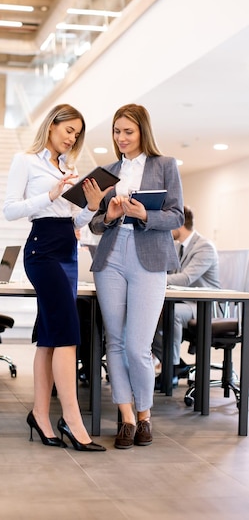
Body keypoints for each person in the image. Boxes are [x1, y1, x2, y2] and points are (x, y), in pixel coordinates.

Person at [3, 104, 107, 452]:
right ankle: (72, 422)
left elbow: (75, 222)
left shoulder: (67, 169)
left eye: (77, 134)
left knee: (50, 337)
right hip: (42, 251)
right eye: (68, 130)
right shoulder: (26, 161)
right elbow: (10, 210)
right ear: (51, 126)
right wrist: (49, 194)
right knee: (67, 335)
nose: (72, 137)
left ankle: (41, 415)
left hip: (68, 252)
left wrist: (91, 206)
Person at [89, 103, 184, 449]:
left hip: (149, 256)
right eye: (116, 131)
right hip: (112, 256)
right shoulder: (106, 172)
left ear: (143, 131)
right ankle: (127, 418)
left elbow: (176, 216)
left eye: (128, 131)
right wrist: (110, 215)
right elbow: (95, 222)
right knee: (114, 342)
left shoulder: (165, 166)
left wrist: (145, 214)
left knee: (137, 345)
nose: (121, 137)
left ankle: (145, 415)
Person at [152, 205, 220, 388]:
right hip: (183, 302)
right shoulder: (177, 247)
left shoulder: (204, 246)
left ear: (179, 222)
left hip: (204, 306)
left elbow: (185, 278)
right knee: (147, 316)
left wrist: (153, 279)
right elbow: (168, 273)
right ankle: (176, 364)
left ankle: (171, 369)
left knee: (171, 313)